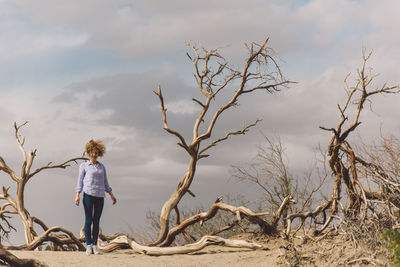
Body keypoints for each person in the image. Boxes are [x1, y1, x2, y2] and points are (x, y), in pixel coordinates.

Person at [75, 139, 117, 255]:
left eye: (96, 153)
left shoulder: (102, 167)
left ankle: (95, 245)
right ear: (89, 152)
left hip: (100, 196)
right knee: (88, 220)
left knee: (96, 221)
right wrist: (77, 195)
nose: (94, 154)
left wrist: (112, 195)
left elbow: (106, 183)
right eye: (92, 152)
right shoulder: (84, 166)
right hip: (88, 194)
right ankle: (88, 245)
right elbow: (80, 181)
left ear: (99, 153)